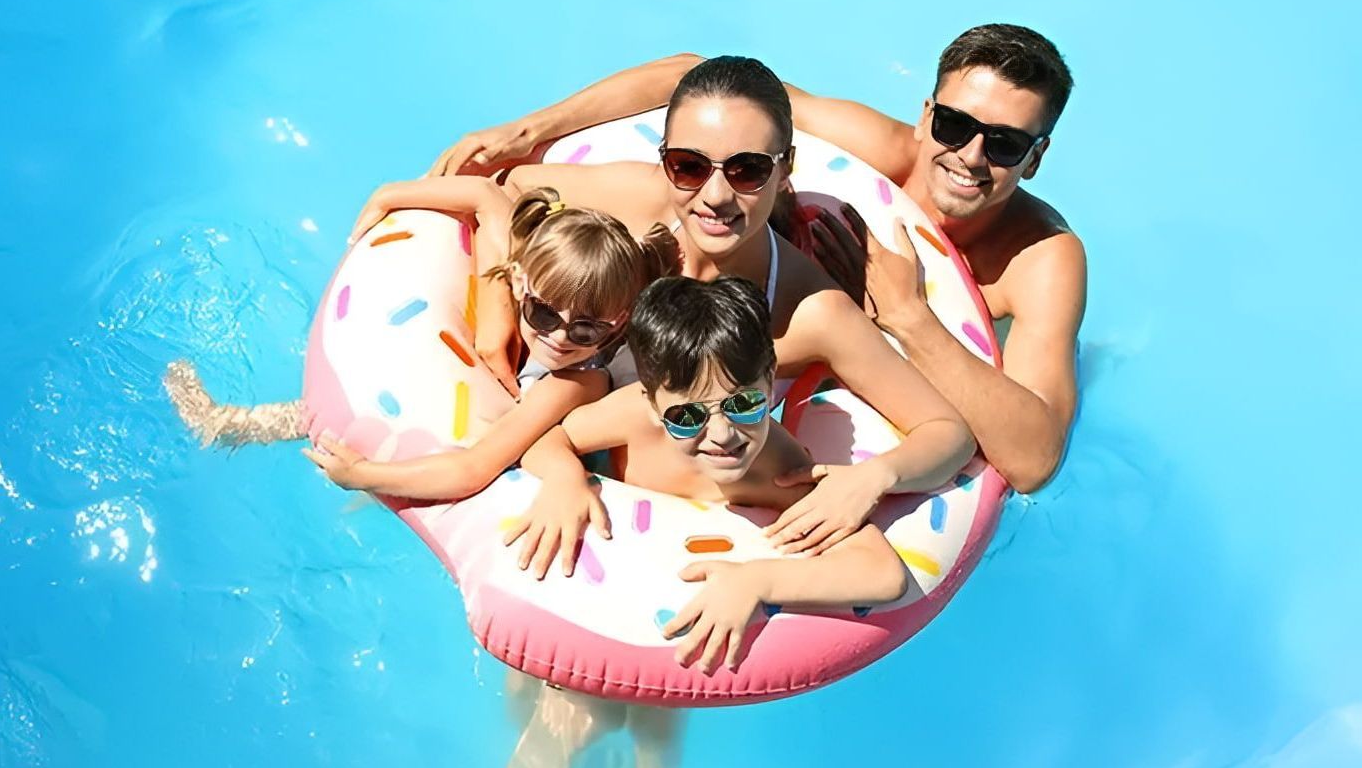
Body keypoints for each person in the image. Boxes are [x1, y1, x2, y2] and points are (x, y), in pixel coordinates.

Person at [353, 56, 976, 570]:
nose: (714, 195)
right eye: (689, 166)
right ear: (665, 161)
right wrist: (495, 332)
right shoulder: (635, 203)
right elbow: (506, 196)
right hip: (553, 444)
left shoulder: (808, 309)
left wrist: (874, 477)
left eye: (749, 170)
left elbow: (948, 435)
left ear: (786, 167)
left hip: (658, 509)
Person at [412, 26, 1085, 493]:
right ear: (926, 114)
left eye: (1001, 143)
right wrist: (530, 132)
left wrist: (907, 315)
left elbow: (1030, 461)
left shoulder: (1039, 258)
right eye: (954, 126)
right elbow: (697, 81)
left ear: (1036, 154)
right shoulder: (864, 153)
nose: (968, 156)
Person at [495, 275, 914, 768]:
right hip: (594, 608)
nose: (721, 435)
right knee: (556, 731)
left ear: (769, 382)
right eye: (687, 416)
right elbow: (545, 439)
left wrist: (759, 581)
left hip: (666, 629)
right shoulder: (631, 417)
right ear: (653, 399)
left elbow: (883, 574)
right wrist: (567, 480)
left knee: (657, 747)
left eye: (746, 404)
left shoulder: (778, 465)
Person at [168, 180, 677, 566]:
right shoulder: (512, 276)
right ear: (522, 279)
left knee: (382, 443)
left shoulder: (578, 382)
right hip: (459, 388)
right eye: (545, 314)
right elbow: (486, 197)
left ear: (620, 323)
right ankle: (227, 424)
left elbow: (475, 469)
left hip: (531, 447)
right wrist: (386, 197)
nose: (560, 336)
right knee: (370, 397)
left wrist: (362, 476)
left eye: (588, 329)